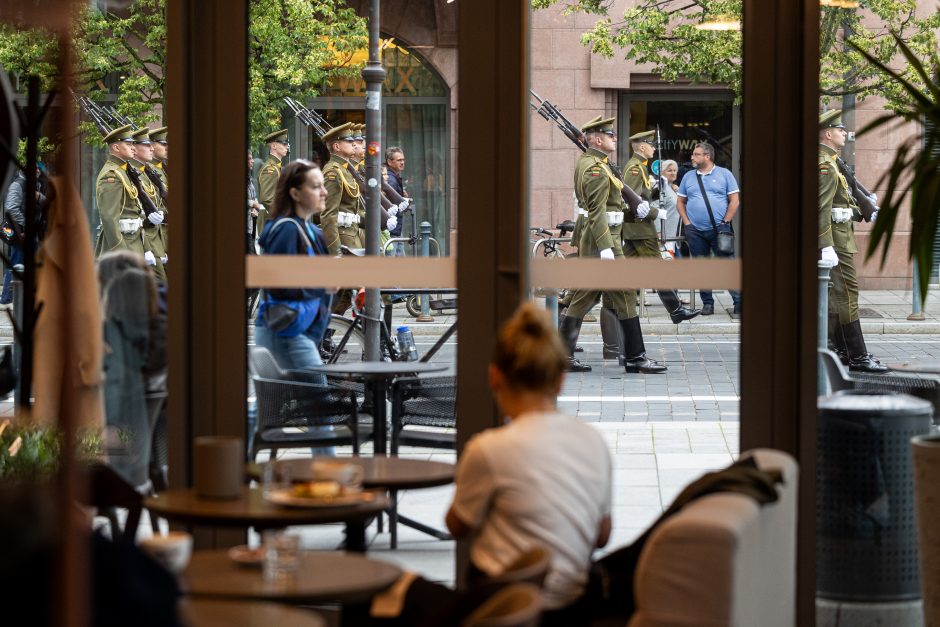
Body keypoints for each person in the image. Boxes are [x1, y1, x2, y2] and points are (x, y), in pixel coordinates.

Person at [344, 303, 612, 627]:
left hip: (495, 605)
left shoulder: (490, 449)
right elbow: (601, 536)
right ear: (559, 380)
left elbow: (458, 526)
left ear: (494, 376)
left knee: (377, 591)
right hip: (572, 608)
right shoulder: (592, 441)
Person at [561, 116, 666, 374]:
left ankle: (562, 355)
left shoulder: (598, 163)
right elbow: (597, 212)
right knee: (621, 293)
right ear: (596, 139)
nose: (614, 138)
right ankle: (635, 358)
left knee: (586, 295)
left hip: (602, 239)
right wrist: (606, 248)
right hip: (602, 241)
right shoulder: (595, 168)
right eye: (609, 135)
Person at [818, 109, 888, 372]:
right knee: (847, 295)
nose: (844, 133)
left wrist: (863, 212)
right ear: (828, 133)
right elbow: (821, 207)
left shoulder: (833, 161)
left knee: (838, 297)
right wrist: (824, 244)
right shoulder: (825, 164)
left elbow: (842, 202)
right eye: (840, 129)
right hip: (835, 241)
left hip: (839, 236)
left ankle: (843, 352)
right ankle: (858, 357)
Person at [255, 159, 332, 373]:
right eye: (316, 186)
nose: (324, 192)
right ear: (295, 194)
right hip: (287, 332)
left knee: (274, 403)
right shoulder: (287, 230)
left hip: (300, 329)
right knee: (318, 398)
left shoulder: (312, 231)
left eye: (323, 185)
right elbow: (280, 283)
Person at [621, 130, 700, 324]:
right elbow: (630, 200)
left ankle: (612, 301)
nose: (654, 148)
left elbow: (642, 196)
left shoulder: (640, 167)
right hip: (640, 228)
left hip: (635, 230)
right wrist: (656, 213)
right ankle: (676, 310)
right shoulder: (634, 168)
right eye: (651, 145)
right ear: (641, 147)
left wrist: (658, 191)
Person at [676, 142, 742, 316]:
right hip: (695, 231)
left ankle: (739, 302)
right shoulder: (688, 176)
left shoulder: (724, 174)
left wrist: (726, 221)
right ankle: (708, 304)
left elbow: (735, 200)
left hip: (719, 229)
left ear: (707, 156)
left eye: (696, 154)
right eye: (693, 154)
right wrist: (687, 223)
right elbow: (680, 202)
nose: (692, 157)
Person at [94, 124, 146, 259]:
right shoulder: (111, 175)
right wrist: (121, 252)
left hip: (134, 241)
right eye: (129, 144)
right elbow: (109, 218)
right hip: (123, 245)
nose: (134, 147)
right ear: (116, 147)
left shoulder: (124, 170)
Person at [1, 166, 45, 307]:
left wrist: (39, 197)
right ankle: (7, 298)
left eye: (39, 169)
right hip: (22, 233)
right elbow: (11, 209)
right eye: (35, 168)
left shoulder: (35, 183)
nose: (38, 171)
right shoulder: (18, 184)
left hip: (33, 233)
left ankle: (20, 297)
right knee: (17, 263)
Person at [128, 128, 168, 284]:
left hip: (158, 238)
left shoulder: (147, 172)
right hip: (147, 240)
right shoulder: (123, 174)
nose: (151, 148)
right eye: (147, 145)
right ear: (135, 148)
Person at [257, 129, 290, 236]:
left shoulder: (276, 167)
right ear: (274, 146)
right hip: (271, 221)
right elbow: (267, 198)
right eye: (284, 143)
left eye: (287, 144)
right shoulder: (270, 169)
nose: (287, 146)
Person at [658, 159, 681, 256]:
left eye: (675, 170)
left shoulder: (672, 188)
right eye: (669, 170)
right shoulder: (661, 186)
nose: (673, 173)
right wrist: (658, 232)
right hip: (664, 237)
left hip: (674, 237)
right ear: (661, 172)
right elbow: (655, 209)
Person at [247, 150, 263, 253]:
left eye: (252, 158)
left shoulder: (249, 178)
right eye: (249, 159)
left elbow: (253, 196)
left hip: (251, 223)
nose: (252, 161)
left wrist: (255, 208)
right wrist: (253, 204)